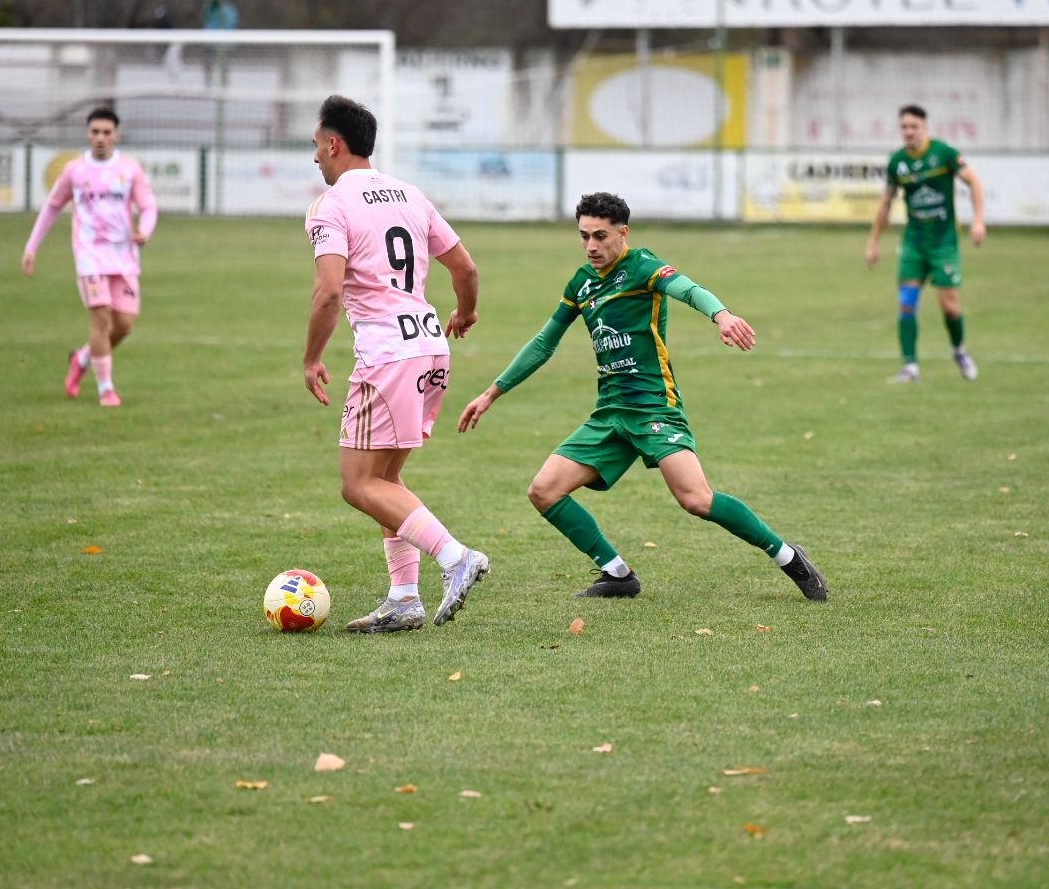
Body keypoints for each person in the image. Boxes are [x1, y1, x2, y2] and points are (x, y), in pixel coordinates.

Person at [457, 191, 827, 602]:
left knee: (696, 499)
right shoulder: (581, 283)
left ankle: (788, 556)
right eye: (584, 236)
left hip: (653, 407)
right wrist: (491, 393)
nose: (591, 245)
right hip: (609, 414)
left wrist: (722, 315)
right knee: (544, 491)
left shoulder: (642, 266)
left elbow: (687, 289)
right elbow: (545, 342)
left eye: (600, 235)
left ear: (623, 233)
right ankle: (618, 575)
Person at [303, 94, 488, 633]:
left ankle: (456, 557)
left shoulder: (330, 205)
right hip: (429, 345)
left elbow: (329, 292)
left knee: (358, 484)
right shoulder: (409, 194)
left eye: (316, 146)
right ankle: (404, 598)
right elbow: (465, 268)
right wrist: (466, 312)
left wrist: (312, 358)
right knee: (386, 478)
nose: (314, 157)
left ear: (334, 144)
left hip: (387, 355)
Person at [21, 108, 157, 407]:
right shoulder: (75, 170)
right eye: (95, 132)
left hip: (123, 257)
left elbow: (148, 206)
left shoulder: (130, 169)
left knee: (124, 325)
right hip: (89, 255)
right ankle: (106, 389)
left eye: (106, 132)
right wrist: (31, 247)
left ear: (116, 135)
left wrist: (145, 231)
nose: (100, 138)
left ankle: (82, 358)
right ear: (87, 134)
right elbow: (52, 207)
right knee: (102, 317)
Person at [865, 104, 986, 384]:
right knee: (906, 304)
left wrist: (978, 221)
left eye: (913, 126)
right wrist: (873, 243)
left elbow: (974, 182)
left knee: (950, 306)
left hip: (944, 242)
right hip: (914, 243)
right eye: (904, 127)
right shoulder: (897, 162)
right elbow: (885, 203)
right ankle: (910, 366)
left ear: (925, 127)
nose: (908, 132)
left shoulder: (944, 154)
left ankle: (959, 350)